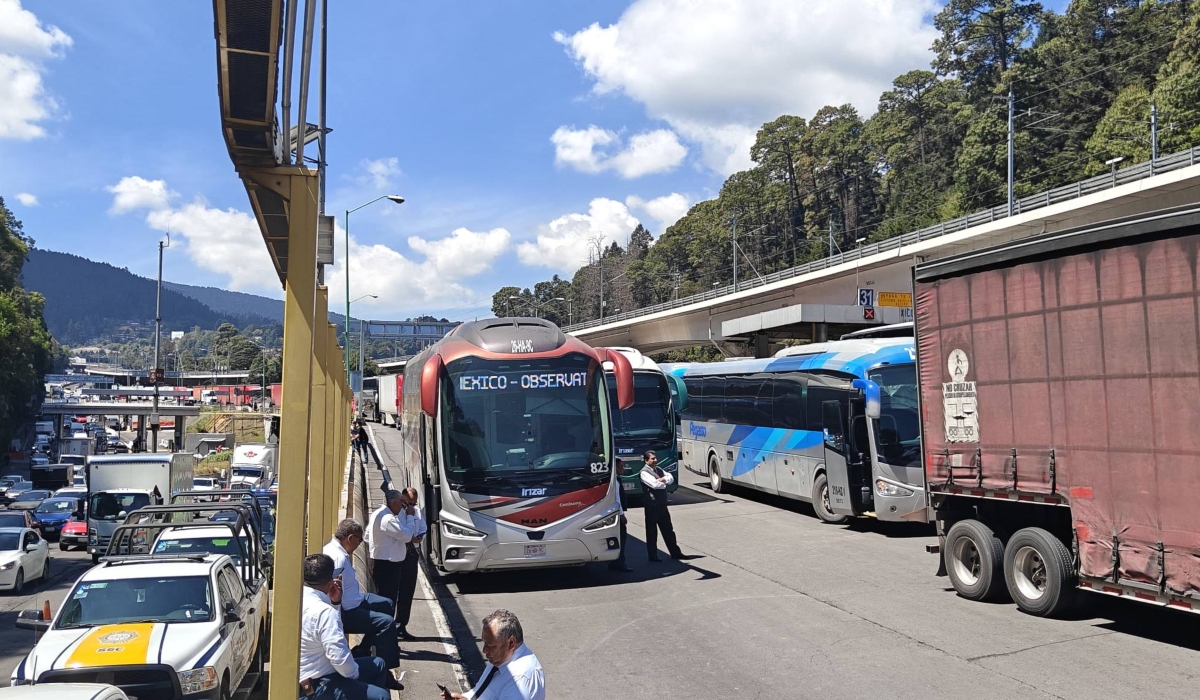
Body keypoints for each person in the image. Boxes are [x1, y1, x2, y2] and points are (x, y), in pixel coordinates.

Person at [300, 553, 402, 699]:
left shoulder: (301, 600)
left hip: (308, 676)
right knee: (381, 696)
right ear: (330, 581)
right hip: (318, 684)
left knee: (379, 664)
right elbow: (339, 659)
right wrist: (355, 674)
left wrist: (335, 603)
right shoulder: (324, 612)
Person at [323, 519, 400, 670]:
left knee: (387, 604)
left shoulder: (335, 550)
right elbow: (329, 591)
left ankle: (363, 649)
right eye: (359, 540)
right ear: (350, 538)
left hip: (355, 599)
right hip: (347, 609)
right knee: (387, 623)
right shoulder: (337, 559)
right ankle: (386, 669)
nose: (359, 544)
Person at [440, 610, 544, 700]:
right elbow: (481, 693)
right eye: (484, 643)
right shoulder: (500, 659)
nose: (485, 650)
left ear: (511, 643)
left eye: (490, 645)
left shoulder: (520, 679)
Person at [366, 490, 421, 637]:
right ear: (395, 502)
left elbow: (366, 536)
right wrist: (409, 517)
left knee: (387, 601)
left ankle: (387, 636)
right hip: (387, 565)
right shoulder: (387, 518)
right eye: (402, 504)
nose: (404, 508)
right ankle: (384, 637)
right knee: (387, 603)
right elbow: (407, 535)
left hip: (385, 562)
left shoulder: (378, 514)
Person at [395, 487, 428, 638]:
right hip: (397, 555)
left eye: (413, 504)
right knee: (394, 591)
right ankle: (392, 627)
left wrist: (419, 536)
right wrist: (409, 517)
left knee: (407, 591)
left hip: (411, 554)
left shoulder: (415, 512)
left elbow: (422, 527)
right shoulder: (396, 512)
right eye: (407, 503)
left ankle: (402, 624)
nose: (410, 507)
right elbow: (401, 533)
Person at [640, 450, 684, 561]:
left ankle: (675, 553)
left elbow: (671, 478)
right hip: (652, 506)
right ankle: (653, 555)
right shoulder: (644, 472)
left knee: (668, 530)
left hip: (662, 505)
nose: (655, 460)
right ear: (646, 460)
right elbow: (655, 485)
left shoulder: (659, 469)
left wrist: (663, 479)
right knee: (652, 532)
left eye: (655, 458)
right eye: (652, 459)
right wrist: (663, 482)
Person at [608, 479, 633, 572]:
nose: (622, 469)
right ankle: (619, 563)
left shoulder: (613, 479)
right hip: (617, 514)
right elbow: (617, 499)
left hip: (613, 513)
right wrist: (621, 514)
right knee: (621, 538)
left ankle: (613, 562)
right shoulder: (615, 480)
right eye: (621, 467)